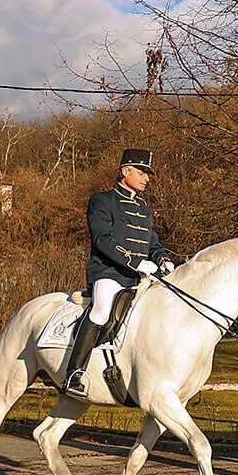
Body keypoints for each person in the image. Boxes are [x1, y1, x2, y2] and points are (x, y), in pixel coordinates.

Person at [64, 149, 174, 398]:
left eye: (148, 173)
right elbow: (102, 239)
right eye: (142, 172)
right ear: (125, 171)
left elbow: (152, 243)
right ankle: (74, 373)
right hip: (108, 272)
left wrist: (162, 259)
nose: (147, 178)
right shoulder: (103, 201)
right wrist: (135, 262)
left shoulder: (144, 210)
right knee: (101, 310)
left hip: (138, 277)